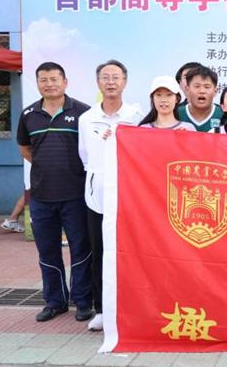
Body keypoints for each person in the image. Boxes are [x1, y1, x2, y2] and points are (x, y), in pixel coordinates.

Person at [17, 62, 92, 323]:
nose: (49, 84)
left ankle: (83, 301)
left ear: (65, 82)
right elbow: (25, 148)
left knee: (81, 249)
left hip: (76, 195)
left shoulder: (83, 112)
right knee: (47, 251)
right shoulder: (28, 114)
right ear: (37, 83)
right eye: (44, 80)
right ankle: (55, 301)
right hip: (41, 196)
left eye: (54, 79)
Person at [77, 60, 143, 331]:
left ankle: (131, 308)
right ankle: (102, 309)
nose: (111, 82)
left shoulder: (136, 116)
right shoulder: (87, 118)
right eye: (106, 77)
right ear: (98, 83)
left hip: (129, 197)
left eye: (116, 77)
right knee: (99, 252)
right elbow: (85, 157)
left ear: (125, 82)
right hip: (97, 197)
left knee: (130, 253)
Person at [177, 64, 224, 132]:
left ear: (215, 91)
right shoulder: (176, 114)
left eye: (207, 87)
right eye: (197, 86)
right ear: (187, 89)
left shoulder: (224, 114)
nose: (202, 91)